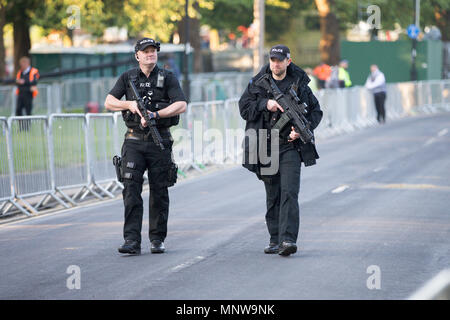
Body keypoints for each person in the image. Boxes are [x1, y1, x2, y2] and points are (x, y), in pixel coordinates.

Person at [104, 38, 187, 255]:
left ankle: (157, 238)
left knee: (159, 191)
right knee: (131, 190)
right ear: (137, 56)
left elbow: (181, 104)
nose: (150, 54)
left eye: (153, 51)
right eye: (146, 51)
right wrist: (129, 104)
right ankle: (131, 240)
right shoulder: (128, 77)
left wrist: (156, 114)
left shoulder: (167, 77)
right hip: (133, 141)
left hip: (159, 140)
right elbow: (109, 101)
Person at [239, 45, 323, 256]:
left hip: (290, 146)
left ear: (288, 61)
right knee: (273, 194)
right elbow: (244, 108)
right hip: (265, 145)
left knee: (289, 192)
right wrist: (265, 104)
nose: (276, 64)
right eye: (273, 60)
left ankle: (288, 240)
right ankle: (274, 238)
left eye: (280, 60)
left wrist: (302, 131)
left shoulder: (300, 85)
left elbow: (316, 111)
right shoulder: (258, 83)